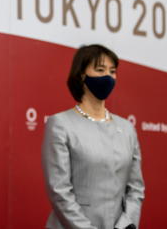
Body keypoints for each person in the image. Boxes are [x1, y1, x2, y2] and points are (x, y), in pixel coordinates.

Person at [41, 44, 145, 229]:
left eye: (112, 71)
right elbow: (59, 192)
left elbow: (136, 188)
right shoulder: (60, 124)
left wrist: (126, 225)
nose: (108, 76)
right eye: (100, 69)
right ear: (82, 74)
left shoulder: (127, 128)